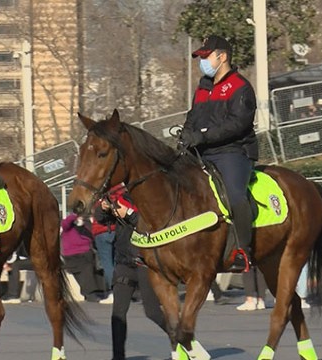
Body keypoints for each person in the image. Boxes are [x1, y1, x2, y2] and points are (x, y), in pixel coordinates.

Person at [179, 35, 258, 273]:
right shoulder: (203, 87)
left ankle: (244, 251)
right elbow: (193, 117)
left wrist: (202, 136)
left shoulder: (241, 87)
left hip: (233, 152)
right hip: (202, 152)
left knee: (234, 196)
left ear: (222, 57)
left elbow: (237, 124)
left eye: (206, 56)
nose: (202, 62)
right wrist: (186, 135)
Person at [95, 192, 169, 360]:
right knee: (118, 313)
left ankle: (183, 341)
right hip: (124, 263)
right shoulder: (124, 198)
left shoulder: (152, 198)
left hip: (145, 264)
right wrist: (104, 207)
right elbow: (100, 219)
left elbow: (150, 226)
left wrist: (128, 214)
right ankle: (118, 356)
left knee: (153, 312)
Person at [60, 213, 105, 302]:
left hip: (87, 253)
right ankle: (90, 293)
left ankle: (99, 291)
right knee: (85, 270)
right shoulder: (68, 227)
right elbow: (65, 223)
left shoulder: (87, 226)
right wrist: (74, 215)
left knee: (96, 268)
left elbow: (92, 237)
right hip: (72, 255)